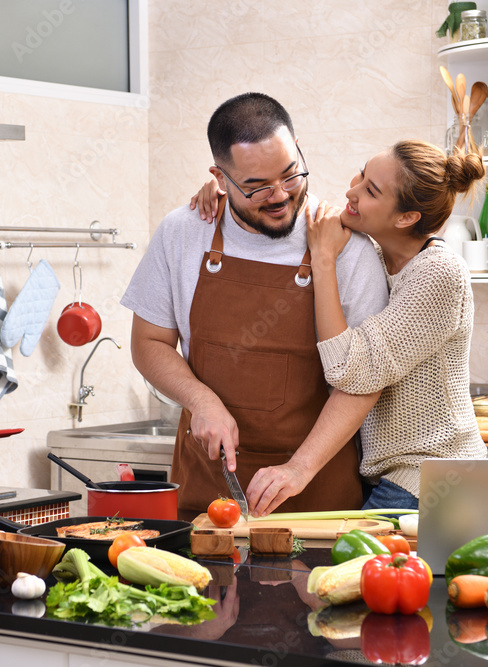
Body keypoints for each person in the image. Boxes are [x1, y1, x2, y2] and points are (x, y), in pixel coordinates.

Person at [121, 92, 389, 518]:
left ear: (299, 147)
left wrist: (299, 468)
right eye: (257, 186)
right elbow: (148, 342)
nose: (280, 195)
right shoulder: (182, 233)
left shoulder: (345, 246)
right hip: (209, 493)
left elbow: (363, 380)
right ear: (219, 177)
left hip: (316, 496)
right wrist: (201, 401)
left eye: (290, 174)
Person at [196, 140, 488, 510]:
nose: (352, 191)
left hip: (430, 479)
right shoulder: (377, 255)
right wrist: (233, 193)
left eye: (370, 191)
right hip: (389, 477)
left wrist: (323, 257)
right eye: (362, 175)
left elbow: (349, 371)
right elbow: (300, 209)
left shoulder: (439, 273)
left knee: (354, 567)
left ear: (405, 218)